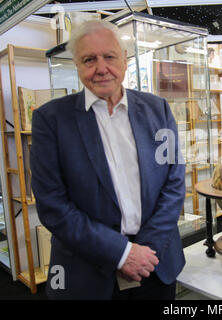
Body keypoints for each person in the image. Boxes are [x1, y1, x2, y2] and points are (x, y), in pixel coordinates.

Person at [30, 20, 186, 300]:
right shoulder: (51, 120)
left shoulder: (158, 110)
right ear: (77, 65)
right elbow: (53, 205)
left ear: (125, 60)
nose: (101, 68)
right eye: (89, 59)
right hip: (87, 273)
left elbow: (174, 183)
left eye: (109, 57)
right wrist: (122, 253)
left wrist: (143, 252)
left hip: (156, 263)